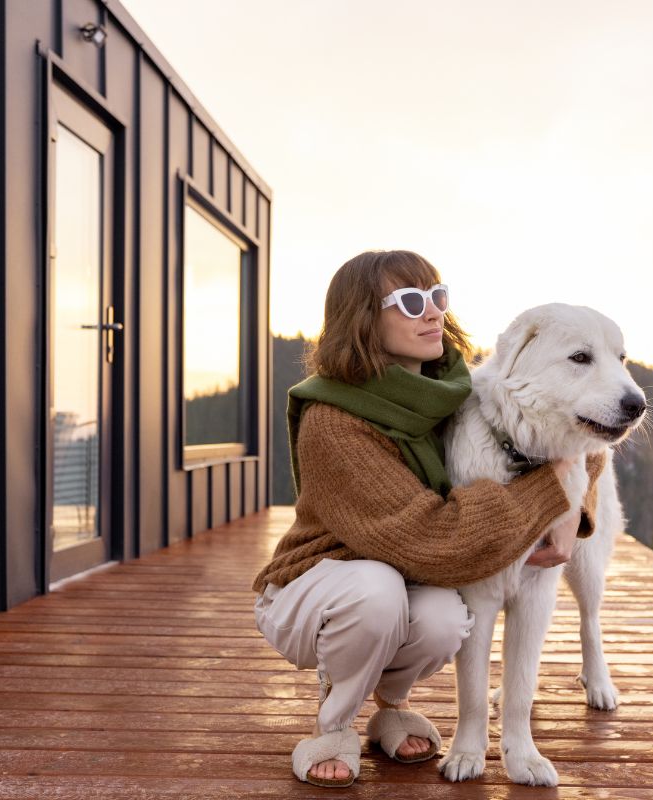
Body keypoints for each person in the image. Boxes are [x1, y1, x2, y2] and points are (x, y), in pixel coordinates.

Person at [251, 250, 596, 788]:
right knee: (377, 589)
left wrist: (577, 504)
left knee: (444, 616)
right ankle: (334, 726)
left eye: (438, 296)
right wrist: (551, 496)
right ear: (363, 319)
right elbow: (432, 539)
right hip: (314, 585)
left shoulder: (452, 389)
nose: (432, 312)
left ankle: (391, 705)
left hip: (396, 578)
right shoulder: (335, 422)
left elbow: (575, 428)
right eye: (411, 302)